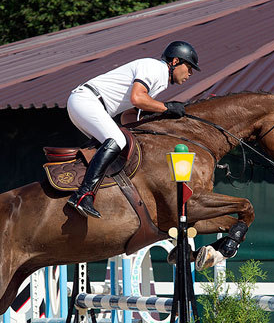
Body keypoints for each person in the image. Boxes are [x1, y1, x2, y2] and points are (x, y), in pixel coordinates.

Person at [66, 40, 200, 218]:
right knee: (117, 140)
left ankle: (80, 187)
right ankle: (83, 195)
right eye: (189, 67)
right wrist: (166, 107)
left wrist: (156, 118)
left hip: (88, 104)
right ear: (175, 61)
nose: (190, 73)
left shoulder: (160, 80)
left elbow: (128, 116)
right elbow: (137, 98)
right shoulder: (155, 68)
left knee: (116, 146)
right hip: (87, 101)